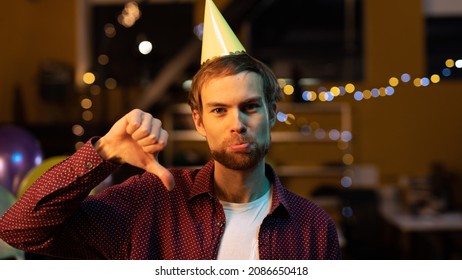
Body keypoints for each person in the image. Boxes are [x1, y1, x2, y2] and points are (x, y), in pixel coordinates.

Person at [0, 0, 341, 260]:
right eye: (219, 110)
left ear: (272, 114)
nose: (237, 124)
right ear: (199, 121)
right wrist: (103, 152)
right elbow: (20, 229)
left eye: (250, 107)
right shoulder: (149, 202)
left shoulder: (313, 227)